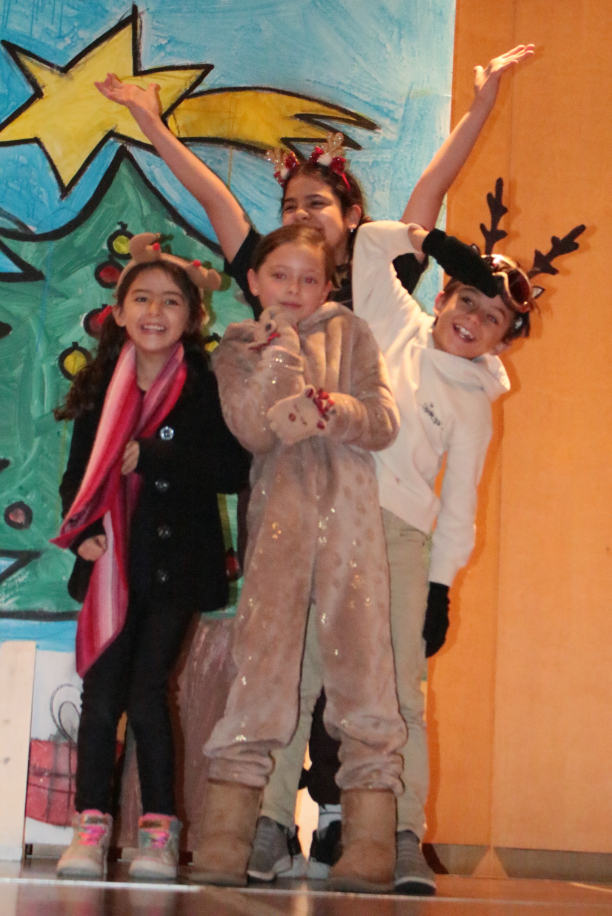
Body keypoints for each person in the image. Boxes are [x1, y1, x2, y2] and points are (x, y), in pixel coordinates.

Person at [95, 45, 534, 879]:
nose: (305, 217)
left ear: (350, 215)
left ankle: (369, 829)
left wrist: (481, 106)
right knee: (281, 671)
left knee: (376, 679)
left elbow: (428, 199)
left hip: (379, 511)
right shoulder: (272, 293)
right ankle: (261, 824)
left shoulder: (383, 290)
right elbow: (217, 199)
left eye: (319, 203)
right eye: (292, 207)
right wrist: (151, 123)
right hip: (292, 503)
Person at [190, 223, 406, 893]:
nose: (294, 289)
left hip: (352, 530)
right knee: (261, 670)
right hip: (278, 533)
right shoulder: (237, 350)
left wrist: (338, 411)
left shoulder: (352, 333)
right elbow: (254, 429)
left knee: (364, 672)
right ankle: (227, 833)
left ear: (328, 285)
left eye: (309, 279)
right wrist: (281, 350)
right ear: (254, 281)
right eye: (280, 276)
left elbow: (383, 419)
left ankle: (370, 839)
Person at [52, 235, 250, 882]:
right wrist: (82, 531)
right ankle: (90, 828)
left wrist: (158, 455)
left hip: (177, 566)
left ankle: (158, 835)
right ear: (119, 310)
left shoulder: (204, 386)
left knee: (147, 691)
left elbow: (232, 468)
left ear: (194, 317)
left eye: (171, 301)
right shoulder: (101, 384)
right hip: (112, 560)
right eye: (142, 299)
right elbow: (76, 475)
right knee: (100, 694)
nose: (155, 312)